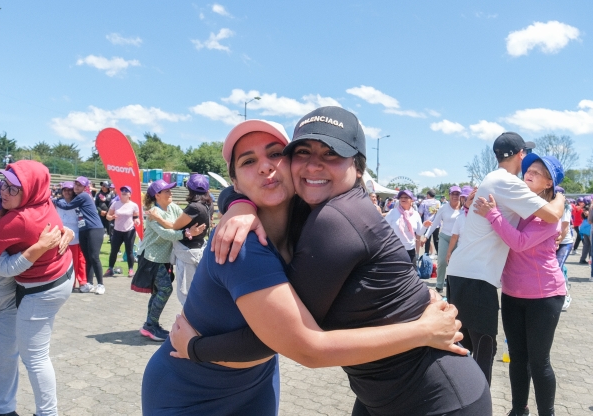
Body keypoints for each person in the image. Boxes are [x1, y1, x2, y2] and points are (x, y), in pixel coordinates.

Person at [164, 111, 491, 415]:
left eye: (331, 154)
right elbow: (250, 186)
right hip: (386, 392)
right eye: (302, 152)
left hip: (438, 397)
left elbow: (298, 343)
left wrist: (196, 348)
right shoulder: (309, 210)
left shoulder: (335, 219)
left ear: (359, 167)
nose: (312, 166)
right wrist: (237, 205)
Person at [445, 132, 564, 385]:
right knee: (483, 351)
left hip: (462, 273)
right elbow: (553, 214)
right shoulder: (509, 183)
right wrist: (561, 195)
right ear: (520, 154)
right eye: (526, 156)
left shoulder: (493, 179)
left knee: (461, 348)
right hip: (477, 277)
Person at [0, 161, 74, 416]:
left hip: (41, 289)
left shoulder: (16, 220)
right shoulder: (42, 202)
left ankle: (47, 413)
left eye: (13, 188)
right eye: (4, 185)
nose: (4, 193)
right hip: (59, 276)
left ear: (31, 190)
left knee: (34, 357)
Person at [471, 153, 567, 416]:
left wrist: (492, 215)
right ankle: (518, 409)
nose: (530, 172)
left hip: (545, 295)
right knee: (517, 358)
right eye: (529, 169)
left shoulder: (548, 217)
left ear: (549, 184)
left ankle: (547, 412)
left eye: (538, 172)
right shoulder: (516, 206)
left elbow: (519, 242)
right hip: (513, 293)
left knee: (538, 361)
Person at [131, 179, 206, 341]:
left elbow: (179, 222)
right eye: (167, 191)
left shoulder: (172, 207)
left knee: (159, 291)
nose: (170, 193)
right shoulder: (153, 213)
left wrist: (193, 227)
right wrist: (187, 233)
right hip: (151, 257)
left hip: (163, 258)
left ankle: (150, 325)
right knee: (165, 290)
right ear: (157, 195)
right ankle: (150, 326)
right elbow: (167, 234)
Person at [54, 176, 105, 294]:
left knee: (94, 257)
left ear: (84, 187)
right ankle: (89, 283)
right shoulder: (78, 197)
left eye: (79, 185)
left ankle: (101, 284)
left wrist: (53, 200)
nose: (77, 187)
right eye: (75, 184)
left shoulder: (83, 196)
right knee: (88, 258)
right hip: (83, 229)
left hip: (94, 228)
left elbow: (67, 206)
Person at [424, 186, 462, 294]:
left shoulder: (464, 209)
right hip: (445, 237)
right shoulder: (443, 208)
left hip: (459, 240)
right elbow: (435, 223)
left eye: (457, 194)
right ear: (449, 195)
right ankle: (439, 285)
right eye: (453, 194)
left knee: (455, 264)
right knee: (442, 261)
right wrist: (426, 236)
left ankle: (453, 285)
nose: (455, 196)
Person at [384, 189, 430, 267]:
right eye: (401, 197)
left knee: (412, 275)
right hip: (395, 250)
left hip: (410, 250)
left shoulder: (415, 214)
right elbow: (383, 229)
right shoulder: (392, 212)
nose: (403, 199)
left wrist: (425, 226)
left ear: (411, 200)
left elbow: (419, 233)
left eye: (406, 197)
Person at [55, 181, 87, 291]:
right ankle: (67, 283)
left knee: (78, 261)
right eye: (65, 190)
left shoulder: (77, 202)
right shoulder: (57, 202)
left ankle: (80, 282)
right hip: (61, 236)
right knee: (63, 261)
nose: (67, 192)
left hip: (76, 236)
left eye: (69, 190)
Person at [105, 185, 140, 278]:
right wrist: (111, 217)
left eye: (126, 191)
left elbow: (136, 217)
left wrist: (137, 221)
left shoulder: (134, 205)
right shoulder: (115, 204)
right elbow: (108, 216)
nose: (124, 192)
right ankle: (110, 269)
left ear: (130, 194)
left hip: (129, 231)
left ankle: (131, 269)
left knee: (129, 251)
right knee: (114, 251)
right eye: (122, 191)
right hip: (117, 231)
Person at [555, 186, 575, 311]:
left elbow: (565, 227)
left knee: (557, 267)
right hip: (554, 241)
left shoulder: (566, 207)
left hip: (564, 242)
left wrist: (558, 241)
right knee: (558, 268)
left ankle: (565, 295)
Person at [444, 185, 473, 268]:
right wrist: (449, 252)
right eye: (463, 197)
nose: (464, 200)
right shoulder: (461, 216)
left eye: (467, 197)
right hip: (462, 252)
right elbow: (455, 236)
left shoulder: (480, 216)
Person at [418, 189, 441, 256]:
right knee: (436, 240)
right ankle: (439, 255)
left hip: (427, 224)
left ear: (428, 195)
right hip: (436, 224)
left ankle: (426, 256)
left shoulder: (424, 202)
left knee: (427, 241)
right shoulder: (438, 202)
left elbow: (420, 214)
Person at [578, 198, 593, 265]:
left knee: (587, 246)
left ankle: (584, 259)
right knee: (589, 246)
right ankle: (588, 259)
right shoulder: (589, 209)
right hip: (588, 231)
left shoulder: (585, 209)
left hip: (586, 230)